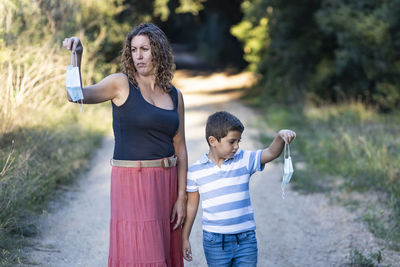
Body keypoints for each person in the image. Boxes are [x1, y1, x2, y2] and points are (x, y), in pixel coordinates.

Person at [62, 23, 187, 267]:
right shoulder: (121, 84)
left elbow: (180, 147)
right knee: (141, 254)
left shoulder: (174, 95)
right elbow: (75, 94)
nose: (138, 56)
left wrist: (181, 197)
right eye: (133, 49)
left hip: (167, 182)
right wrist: (77, 56)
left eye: (145, 49)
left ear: (158, 51)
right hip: (134, 180)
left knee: (164, 253)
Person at [182, 111, 296, 266]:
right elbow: (191, 206)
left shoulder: (244, 160)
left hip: (245, 240)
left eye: (238, 141)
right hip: (215, 242)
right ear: (213, 141)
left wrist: (280, 136)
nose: (237, 146)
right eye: (232, 141)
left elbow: (271, 153)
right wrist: (184, 237)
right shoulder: (196, 171)